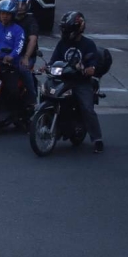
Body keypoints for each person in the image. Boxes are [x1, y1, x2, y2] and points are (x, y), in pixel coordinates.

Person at [42, 10, 104, 153]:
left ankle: (97, 139)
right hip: (62, 79)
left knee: (87, 108)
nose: (65, 32)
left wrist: (89, 69)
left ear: (77, 29)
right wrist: (46, 67)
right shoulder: (62, 43)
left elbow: (93, 64)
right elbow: (53, 60)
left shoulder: (88, 44)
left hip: (80, 82)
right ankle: (45, 123)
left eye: (67, 29)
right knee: (45, 92)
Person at [10, 0, 40, 105]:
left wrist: (26, 57)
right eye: (17, 4)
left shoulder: (31, 21)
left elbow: (33, 40)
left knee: (23, 69)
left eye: (23, 4)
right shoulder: (9, 18)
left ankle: (32, 100)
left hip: (24, 55)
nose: (20, 7)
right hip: (10, 54)